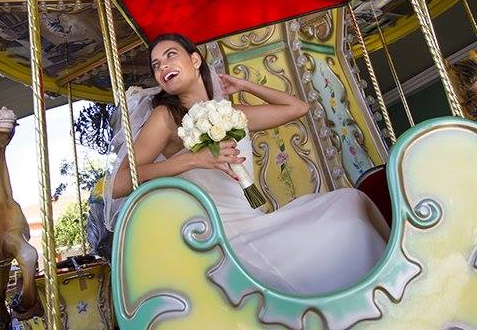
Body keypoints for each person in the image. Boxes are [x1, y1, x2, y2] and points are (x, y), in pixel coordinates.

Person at [103, 33, 389, 295]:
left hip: (250, 219)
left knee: (351, 202)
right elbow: (118, 183)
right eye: (155, 65)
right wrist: (194, 159)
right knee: (348, 227)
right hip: (219, 232)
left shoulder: (231, 112)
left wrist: (243, 85)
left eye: (170, 55)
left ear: (194, 59)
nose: (162, 67)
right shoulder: (166, 117)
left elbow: (298, 108)